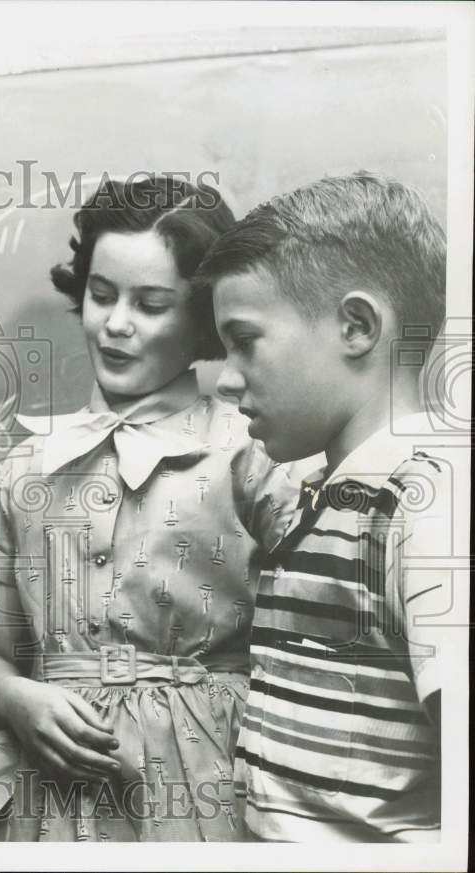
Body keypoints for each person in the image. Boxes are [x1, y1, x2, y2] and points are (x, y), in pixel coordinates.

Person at [0, 176, 301, 841]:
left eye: (150, 304)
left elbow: (303, 657)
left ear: (203, 319)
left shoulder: (252, 452)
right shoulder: (28, 467)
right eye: (101, 294)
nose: (116, 323)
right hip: (44, 798)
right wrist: (16, 698)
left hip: (198, 798)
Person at [198, 172, 448, 841]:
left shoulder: (423, 506)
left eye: (245, 339)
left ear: (356, 326)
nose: (225, 378)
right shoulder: (322, 496)